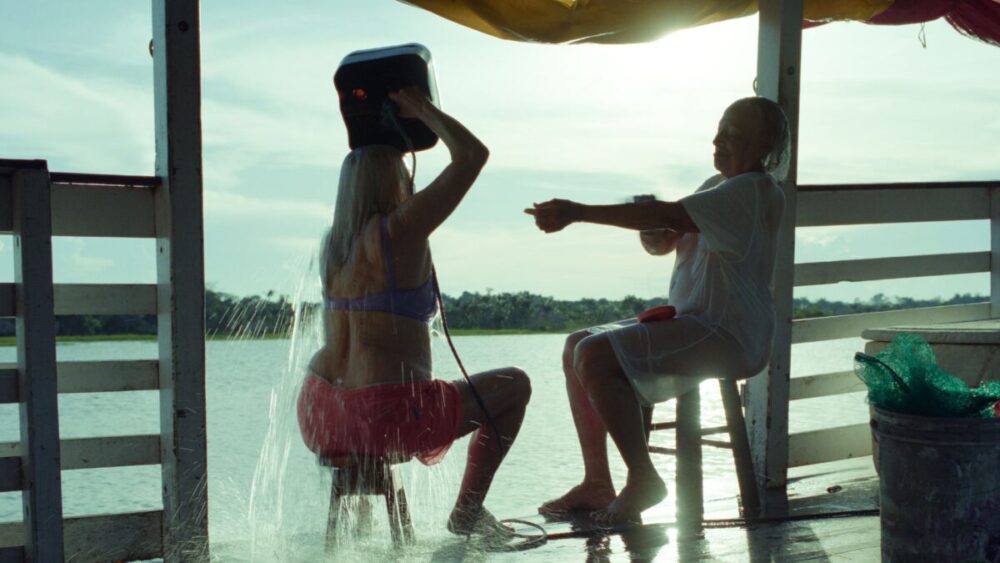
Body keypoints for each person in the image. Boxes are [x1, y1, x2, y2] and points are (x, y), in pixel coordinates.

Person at [525, 96, 790, 524]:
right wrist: (653, 230)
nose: (717, 141)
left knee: (594, 353)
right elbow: (665, 238)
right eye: (719, 131)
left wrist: (578, 212)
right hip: (693, 323)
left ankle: (643, 478)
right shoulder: (716, 185)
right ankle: (597, 481)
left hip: (729, 334)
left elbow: (666, 214)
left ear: (764, 147)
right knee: (577, 343)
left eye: (733, 135)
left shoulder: (753, 191)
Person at [297, 87, 531, 537]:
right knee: (515, 385)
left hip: (320, 413)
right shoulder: (398, 231)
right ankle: (467, 511)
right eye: (404, 175)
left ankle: (358, 530)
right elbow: (472, 156)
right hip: (387, 417)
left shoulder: (333, 246)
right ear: (393, 182)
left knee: (381, 408)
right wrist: (422, 109)